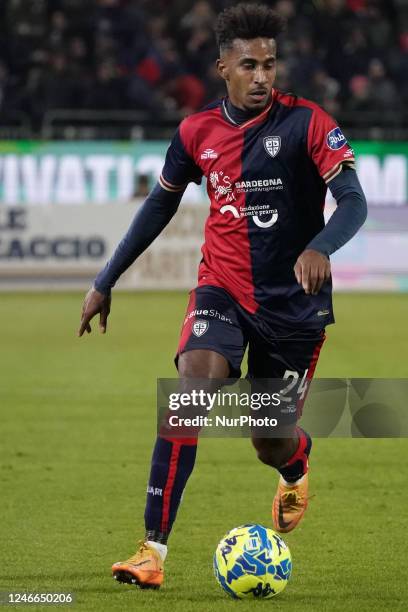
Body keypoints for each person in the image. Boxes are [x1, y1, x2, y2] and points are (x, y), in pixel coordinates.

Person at [78, 3, 367, 591]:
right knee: (190, 394)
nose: (262, 76)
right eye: (249, 65)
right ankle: (151, 551)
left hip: (293, 308)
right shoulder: (195, 132)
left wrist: (321, 247)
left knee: (269, 438)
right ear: (223, 68)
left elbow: (355, 200)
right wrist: (105, 279)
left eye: (270, 64)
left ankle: (295, 461)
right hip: (223, 290)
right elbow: (159, 206)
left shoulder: (310, 124)